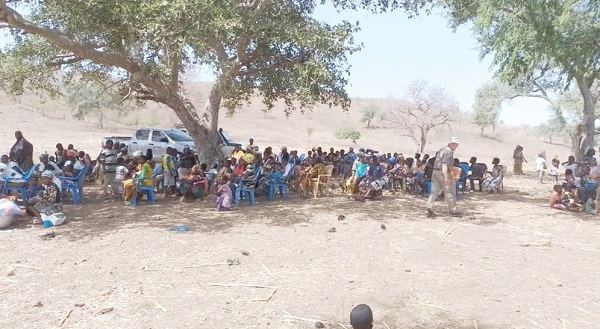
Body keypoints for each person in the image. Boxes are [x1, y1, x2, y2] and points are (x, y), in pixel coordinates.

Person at [426, 137, 461, 217]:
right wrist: (446, 177)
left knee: (434, 191)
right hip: (443, 172)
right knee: (450, 191)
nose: (457, 146)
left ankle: (429, 206)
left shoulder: (442, 149)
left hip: (435, 172)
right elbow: (444, 164)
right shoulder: (449, 152)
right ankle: (452, 209)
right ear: (452, 144)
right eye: (456, 145)